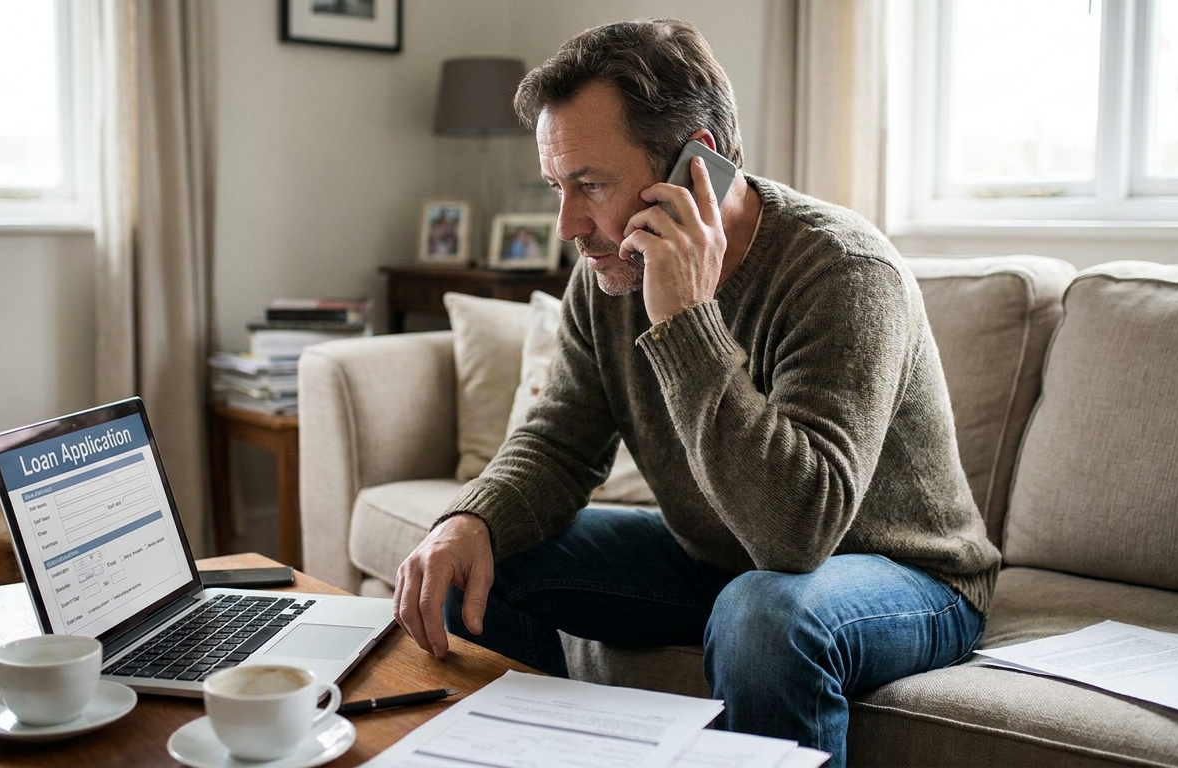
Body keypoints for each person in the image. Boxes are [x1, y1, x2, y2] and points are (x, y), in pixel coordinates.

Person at [393, 19, 999, 765]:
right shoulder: (607, 272)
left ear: (695, 167)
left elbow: (794, 535)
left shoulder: (843, 271)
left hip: (909, 575)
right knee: (480, 562)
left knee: (763, 612)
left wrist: (686, 319)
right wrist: (471, 521)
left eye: (591, 185)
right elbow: (559, 444)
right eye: (558, 187)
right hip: (720, 558)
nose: (568, 226)